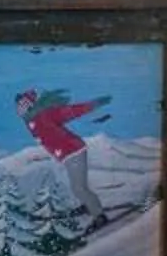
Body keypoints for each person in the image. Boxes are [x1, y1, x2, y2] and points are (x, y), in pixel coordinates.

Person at [14, 87, 108, 228]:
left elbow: (70, 112)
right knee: (77, 186)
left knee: (78, 188)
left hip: (73, 151)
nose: (19, 111)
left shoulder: (44, 114)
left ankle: (99, 215)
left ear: (29, 105)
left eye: (22, 106)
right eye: (19, 107)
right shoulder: (31, 121)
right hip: (67, 154)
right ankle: (88, 204)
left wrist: (91, 105)